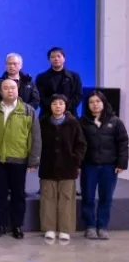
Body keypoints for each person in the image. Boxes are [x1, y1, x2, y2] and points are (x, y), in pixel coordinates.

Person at [0, 78, 42, 239]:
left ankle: (17, 226)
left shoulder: (28, 110)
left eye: (13, 87)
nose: (10, 90)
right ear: (0, 91)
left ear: (17, 90)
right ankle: (0, 225)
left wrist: (34, 159)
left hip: (19, 159)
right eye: (6, 88)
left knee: (18, 195)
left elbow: (35, 137)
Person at [79, 90, 129, 240]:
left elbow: (123, 143)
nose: (95, 104)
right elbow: (78, 144)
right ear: (87, 105)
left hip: (109, 166)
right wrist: (78, 164)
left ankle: (102, 227)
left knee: (106, 198)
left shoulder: (115, 121)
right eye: (91, 102)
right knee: (88, 197)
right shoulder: (82, 122)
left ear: (103, 103)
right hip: (89, 166)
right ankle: (90, 227)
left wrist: (121, 163)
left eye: (97, 101)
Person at [39, 94, 87, 243]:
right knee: (48, 198)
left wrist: (76, 159)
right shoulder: (43, 122)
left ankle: (65, 229)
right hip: (48, 167)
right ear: (50, 106)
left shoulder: (73, 123)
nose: (58, 106)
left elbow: (81, 144)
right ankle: (49, 228)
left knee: (67, 199)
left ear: (66, 106)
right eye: (54, 103)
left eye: (61, 103)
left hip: (68, 168)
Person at [35, 47, 84, 116]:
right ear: (49, 60)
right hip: (47, 114)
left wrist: (65, 107)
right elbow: (39, 97)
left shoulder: (74, 76)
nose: (56, 59)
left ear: (64, 58)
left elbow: (78, 95)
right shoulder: (41, 77)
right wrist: (53, 108)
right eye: (53, 57)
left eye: (59, 56)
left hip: (70, 114)